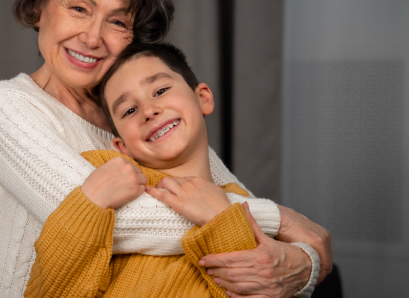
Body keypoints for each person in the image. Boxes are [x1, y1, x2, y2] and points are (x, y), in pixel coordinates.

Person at [0, 0, 331, 298]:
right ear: (38, 6)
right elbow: (124, 224)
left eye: (118, 22)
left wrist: (304, 265)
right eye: (79, 8)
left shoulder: (136, 119)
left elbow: (221, 192)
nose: (93, 37)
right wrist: (283, 220)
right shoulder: (1, 105)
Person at [24, 42, 320, 297]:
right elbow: (49, 292)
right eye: (129, 110)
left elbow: (257, 287)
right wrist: (89, 203)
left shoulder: (241, 203)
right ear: (121, 146)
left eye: (161, 90)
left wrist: (222, 221)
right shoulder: (100, 175)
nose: (149, 111)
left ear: (202, 97)